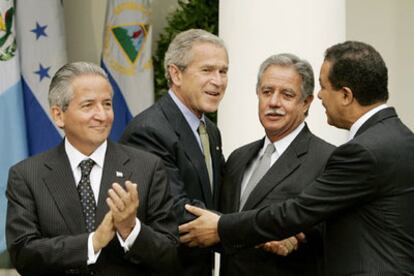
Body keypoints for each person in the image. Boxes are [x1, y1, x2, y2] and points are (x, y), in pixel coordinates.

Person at [179, 41, 414, 275]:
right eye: (267, 92)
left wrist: (222, 227)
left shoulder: (350, 154)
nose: (321, 95)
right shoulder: (401, 138)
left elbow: (299, 213)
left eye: (323, 87)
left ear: (344, 95)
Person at [6, 62, 178, 276]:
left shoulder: (148, 168)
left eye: (107, 104)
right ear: (59, 115)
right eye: (88, 105)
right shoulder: (27, 176)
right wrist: (93, 243)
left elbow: (170, 257)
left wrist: (131, 229)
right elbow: (24, 255)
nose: (102, 115)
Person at [119, 29, 228, 276]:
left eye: (223, 71)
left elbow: (220, 197)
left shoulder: (210, 131)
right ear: (176, 74)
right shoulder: (148, 131)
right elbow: (177, 213)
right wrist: (254, 236)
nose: (218, 81)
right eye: (207, 70)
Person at [215, 54, 334, 275]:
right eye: (267, 92)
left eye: (287, 94)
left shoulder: (327, 159)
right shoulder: (238, 158)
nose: (274, 103)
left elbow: (333, 234)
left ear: (306, 102)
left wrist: (299, 238)